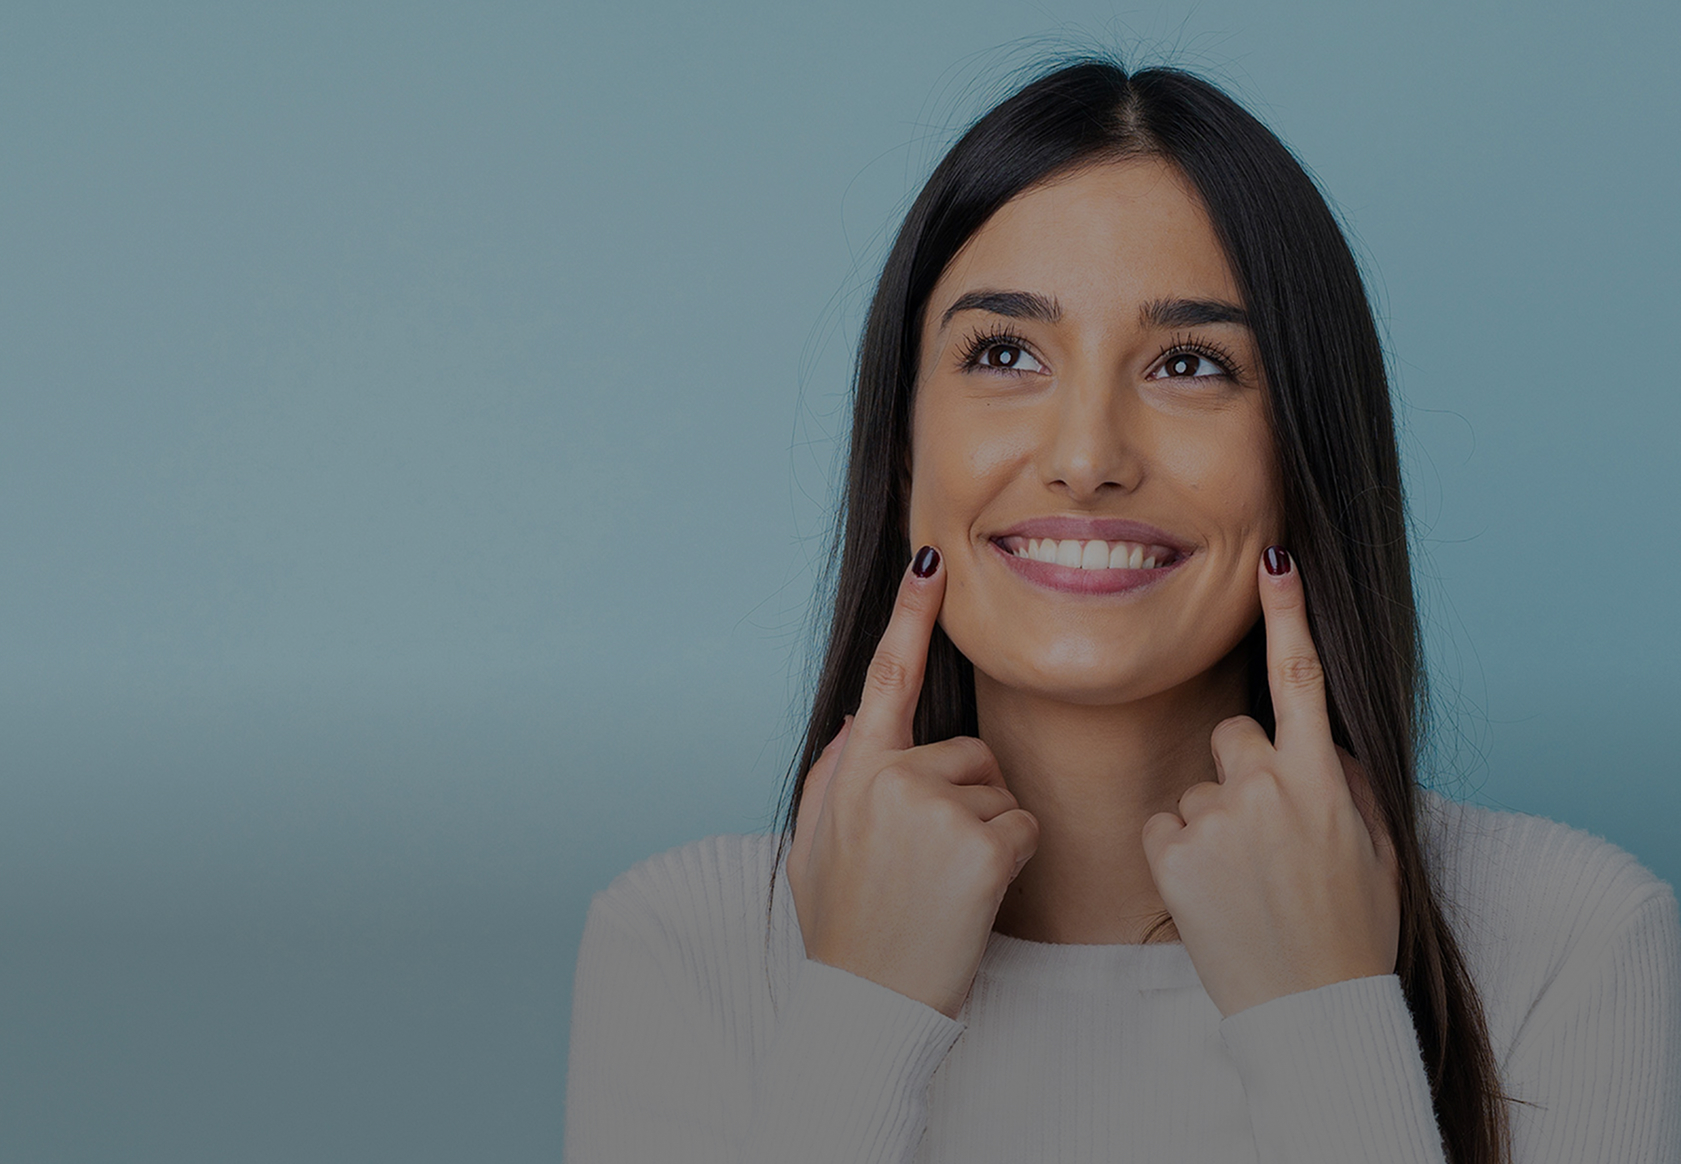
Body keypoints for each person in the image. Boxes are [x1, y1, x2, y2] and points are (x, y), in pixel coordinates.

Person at [564, 57, 1680, 1163]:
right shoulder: (682, 946)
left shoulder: (1570, 939)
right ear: (901, 445)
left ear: (1303, 451)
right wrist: (858, 1015)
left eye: (1189, 364)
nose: (1086, 456)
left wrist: (1323, 1019)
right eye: (1003, 352)